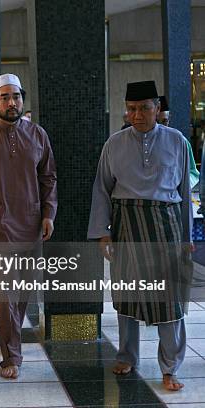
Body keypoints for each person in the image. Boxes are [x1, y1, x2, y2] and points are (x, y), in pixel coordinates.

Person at [88, 81, 192, 391]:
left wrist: (188, 237)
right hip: (127, 225)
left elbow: (185, 193)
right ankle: (127, 356)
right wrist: (102, 234)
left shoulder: (177, 141)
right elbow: (102, 190)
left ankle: (170, 367)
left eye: (145, 108)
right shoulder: (114, 144)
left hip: (167, 227)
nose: (137, 115)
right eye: (131, 109)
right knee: (128, 295)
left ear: (158, 108)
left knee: (169, 300)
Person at [0, 73, 57, 379]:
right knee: (5, 295)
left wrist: (48, 214)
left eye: (16, 96)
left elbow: (48, 177)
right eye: (5, 97)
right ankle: (11, 355)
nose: (12, 102)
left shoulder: (38, 134)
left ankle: (11, 338)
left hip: (31, 224)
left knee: (23, 290)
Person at [158, 96, 199, 189]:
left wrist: (182, 186)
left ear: (169, 119)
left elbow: (192, 171)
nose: (160, 126)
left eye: (164, 121)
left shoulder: (180, 141)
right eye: (156, 122)